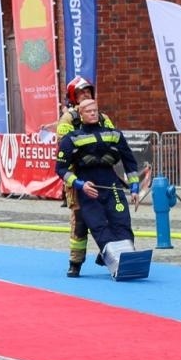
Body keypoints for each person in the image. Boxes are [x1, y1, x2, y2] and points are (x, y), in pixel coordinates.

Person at [55, 97, 149, 277]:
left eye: (95, 110)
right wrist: (80, 184)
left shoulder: (114, 135)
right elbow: (60, 168)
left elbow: (129, 162)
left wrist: (135, 188)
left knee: (122, 219)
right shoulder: (71, 139)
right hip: (87, 186)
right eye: (88, 111)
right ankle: (76, 263)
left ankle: (126, 258)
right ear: (80, 115)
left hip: (111, 184)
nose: (93, 113)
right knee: (94, 224)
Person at [56, 77, 114, 277]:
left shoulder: (103, 117)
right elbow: (64, 145)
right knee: (80, 221)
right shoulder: (68, 119)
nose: (86, 95)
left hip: (102, 174)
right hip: (78, 177)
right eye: (81, 93)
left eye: (88, 92)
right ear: (74, 96)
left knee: (108, 216)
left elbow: (113, 137)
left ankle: (107, 254)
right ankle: (75, 262)